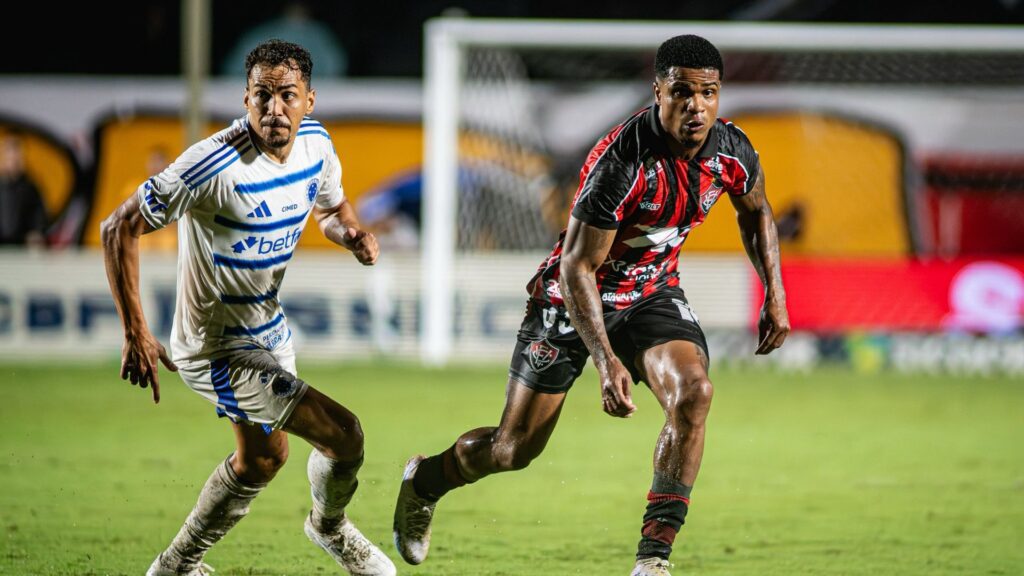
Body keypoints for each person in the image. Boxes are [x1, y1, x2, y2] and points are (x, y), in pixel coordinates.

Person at [393, 34, 791, 576]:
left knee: (694, 393)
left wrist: (775, 292)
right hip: (569, 301)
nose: (695, 105)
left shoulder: (731, 150)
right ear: (658, 92)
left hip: (650, 294)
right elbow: (577, 266)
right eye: (681, 92)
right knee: (513, 450)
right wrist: (605, 362)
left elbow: (757, 211)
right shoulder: (621, 161)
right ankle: (425, 480)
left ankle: (653, 559)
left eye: (708, 93)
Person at [101, 39, 395, 576]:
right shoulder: (211, 166)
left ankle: (174, 567)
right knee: (344, 433)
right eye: (262, 95)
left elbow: (331, 207)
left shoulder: (317, 146)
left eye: (287, 95)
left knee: (263, 459)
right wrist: (136, 332)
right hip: (217, 347)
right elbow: (118, 227)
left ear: (310, 100)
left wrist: (349, 233)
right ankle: (330, 529)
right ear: (245, 99)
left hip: (269, 334)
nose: (274, 109)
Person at [0, 133, 49, 247]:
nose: (13, 159)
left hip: (21, 248)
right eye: (9, 154)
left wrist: (36, 233)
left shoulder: (30, 187)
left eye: (16, 154)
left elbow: (39, 217)